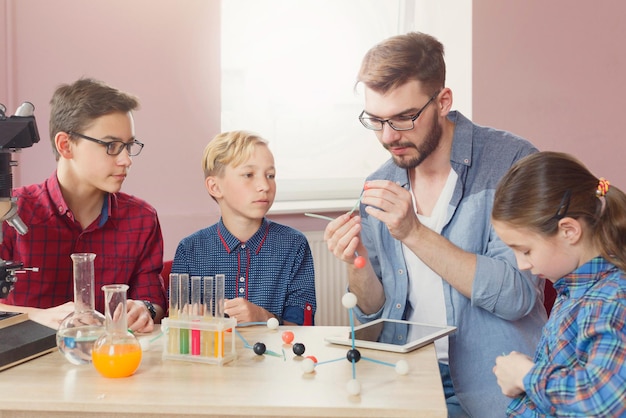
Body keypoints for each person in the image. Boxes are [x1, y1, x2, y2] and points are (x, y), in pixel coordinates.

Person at [323, 32, 547, 417]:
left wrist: (413, 232)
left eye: (404, 118)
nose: (389, 136)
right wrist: (355, 260)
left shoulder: (512, 162)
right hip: (403, 374)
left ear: (443, 101)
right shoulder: (379, 184)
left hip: (492, 382)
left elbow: (516, 296)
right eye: (376, 121)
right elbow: (373, 316)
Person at [0, 78, 167, 332]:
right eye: (111, 146)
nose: (126, 160)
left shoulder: (141, 219)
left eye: (128, 146)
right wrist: (36, 316)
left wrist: (144, 310)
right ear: (66, 145)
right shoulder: (10, 213)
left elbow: (153, 301)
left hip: (107, 363)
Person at [491, 151, 626, 417]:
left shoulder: (610, 300)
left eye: (526, 250)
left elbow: (604, 402)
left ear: (569, 231)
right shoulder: (574, 290)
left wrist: (526, 375)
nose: (522, 265)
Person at [171, 130, 316, 325]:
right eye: (249, 175)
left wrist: (263, 317)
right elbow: (176, 325)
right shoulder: (190, 250)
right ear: (215, 187)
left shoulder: (294, 245)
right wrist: (192, 321)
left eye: (271, 175)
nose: (264, 185)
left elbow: (303, 327)